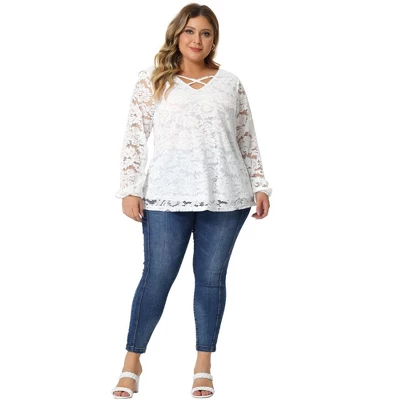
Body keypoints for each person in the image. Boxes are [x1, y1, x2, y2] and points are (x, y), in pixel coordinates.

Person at [111, 3, 272, 398]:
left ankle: (203, 364)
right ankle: (132, 361)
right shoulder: (152, 80)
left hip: (227, 196)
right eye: (189, 31)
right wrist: (130, 187)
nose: (196, 39)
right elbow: (135, 137)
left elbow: (246, 137)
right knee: (157, 277)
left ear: (214, 39)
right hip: (166, 196)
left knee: (211, 279)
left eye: (205, 33)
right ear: (177, 34)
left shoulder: (230, 83)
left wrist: (260, 184)